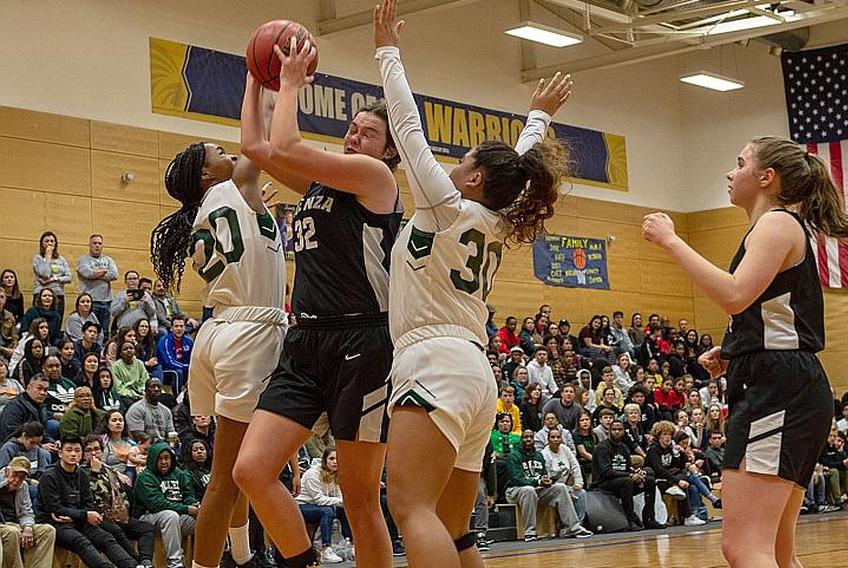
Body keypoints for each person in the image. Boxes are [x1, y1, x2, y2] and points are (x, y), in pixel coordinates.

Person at [372, 6, 576, 563]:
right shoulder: (500, 217)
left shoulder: (443, 205)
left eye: (462, 161)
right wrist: (535, 118)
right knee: (455, 528)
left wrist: (387, 51)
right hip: (478, 374)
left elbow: (407, 124)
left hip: (432, 361)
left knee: (412, 510)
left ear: (475, 177)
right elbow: (521, 165)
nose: (453, 165)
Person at [643, 136, 848, 567]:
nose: (730, 172)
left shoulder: (777, 224)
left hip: (777, 389)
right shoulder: (778, 226)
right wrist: (732, 350)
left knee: (745, 549)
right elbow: (772, 310)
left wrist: (672, 241)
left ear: (767, 177)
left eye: (740, 162)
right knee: (778, 554)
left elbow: (735, 294)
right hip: (785, 381)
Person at [232, 16, 405, 568]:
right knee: (251, 471)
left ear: (389, 151)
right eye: (352, 129)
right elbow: (257, 146)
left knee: (359, 502)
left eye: (368, 133)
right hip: (305, 341)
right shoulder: (323, 181)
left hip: (363, 342)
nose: (355, 136)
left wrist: (290, 82)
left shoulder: (379, 183)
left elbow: (284, 139)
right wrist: (256, 76)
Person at [38, 434, 138, 568]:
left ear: (81, 454)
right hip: (56, 524)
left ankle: (134, 565)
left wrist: (76, 517)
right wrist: (83, 515)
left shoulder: (82, 475)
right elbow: (55, 510)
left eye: (77, 450)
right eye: (69, 450)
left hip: (78, 521)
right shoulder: (49, 476)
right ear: (60, 453)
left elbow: (89, 504)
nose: (73, 454)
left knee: (106, 538)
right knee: (81, 541)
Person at [81, 435, 156, 568]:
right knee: (115, 530)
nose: (93, 453)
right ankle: (137, 562)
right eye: (88, 450)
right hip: (97, 518)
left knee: (147, 528)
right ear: (82, 453)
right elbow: (87, 496)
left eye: (97, 449)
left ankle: (146, 562)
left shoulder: (109, 469)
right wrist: (94, 473)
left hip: (118, 515)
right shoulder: (80, 472)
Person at [503, 430, 591, 542]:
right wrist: (539, 482)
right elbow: (517, 478)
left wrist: (546, 480)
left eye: (531, 437)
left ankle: (573, 528)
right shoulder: (514, 456)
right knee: (528, 490)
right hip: (514, 490)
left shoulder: (538, 455)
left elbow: (543, 474)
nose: (528, 439)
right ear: (521, 440)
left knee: (560, 487)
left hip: (537, 489)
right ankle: (530, 532)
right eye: (525, 437)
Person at [134, 442, 198, 568]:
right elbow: (156, 504)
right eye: (160, 459)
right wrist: (186, 508)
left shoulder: (178, 473)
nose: (164, 462)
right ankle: (175, 564)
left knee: (206, 517)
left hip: (177, 517)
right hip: (148, 518)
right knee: (170, 516)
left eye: (166, 458)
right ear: (153, 459)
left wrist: (193, 504)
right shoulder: (145, 477)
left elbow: (188, 493)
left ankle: (209, 560)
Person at [592, 421, 662, 531]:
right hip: (604, 483)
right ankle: (630, 519)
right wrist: (630, 475)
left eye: (620, 430)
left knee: (649, 480)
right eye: (614, 430)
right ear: (609, 431)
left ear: (624, 432)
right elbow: (607, 472)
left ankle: (649, 518)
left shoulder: (624, 447)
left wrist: (638, 473)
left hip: (622, 479)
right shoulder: (602, 447)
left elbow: (627, 467)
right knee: (627, 481)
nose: (617, 432)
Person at [295, 448, 352, 564]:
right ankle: (326, 549)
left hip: (318, 506)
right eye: (331, 459)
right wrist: (342, 501)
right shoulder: (313, 474)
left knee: (344, 509)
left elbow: (339, 496)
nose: (335, 462)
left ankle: (349, 544)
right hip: (302, 505)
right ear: (324, 461)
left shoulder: (335, 475)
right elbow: (319, 499)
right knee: (327, 511)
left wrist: (344, 503)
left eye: (337, 459)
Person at [0, 456, 56, 568]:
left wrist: (28, 527)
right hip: (3, 524)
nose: (17, 481)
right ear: (8, 470)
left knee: (48, 531)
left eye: (21, 478)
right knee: (12, 532)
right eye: (15, 475)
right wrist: (5, 483)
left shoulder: (23, 486)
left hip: (16, 523)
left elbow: (26, 511)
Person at [541, 429, 586, 523]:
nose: (556, 439)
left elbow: (575, 466)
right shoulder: (544, 454)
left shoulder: (565, 449)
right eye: (553, 437)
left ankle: (579, 523)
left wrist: (578, 483)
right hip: (551, 488)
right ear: (548, 440)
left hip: (564, 486)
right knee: (563, 490)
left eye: (558, 437)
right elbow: (546, 476)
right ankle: (566, 525)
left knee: (581, 493)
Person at [76, 235, 119, 337]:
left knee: (104, 331)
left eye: (99, 243)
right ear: (89, 245)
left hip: (106, 301)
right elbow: (87, 273)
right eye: (94, 243)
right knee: (90, 331)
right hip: (90, 302)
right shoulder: (83, 260)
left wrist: (95, 274)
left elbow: (114, 274)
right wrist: (104, 272)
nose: (97, 246)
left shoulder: (108, 260)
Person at [0, 375, 52, 445]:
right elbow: (10, 436)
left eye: (45, 390)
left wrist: (53, 442)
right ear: (29, 388)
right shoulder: (14, 407)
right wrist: (40, 446)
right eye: (39, 388)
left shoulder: (42, 407)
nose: (43, 393)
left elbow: (42, 433)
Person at [32, 231, 72, 318]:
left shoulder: (61, 259)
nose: (50, 243)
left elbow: (69, 277)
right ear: (41, 244)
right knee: (40, 323)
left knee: (56, 321)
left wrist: (55, 278)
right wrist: (48, 256)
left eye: (52, 241)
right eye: (46, 241)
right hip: (40, 294)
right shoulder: (37, 258)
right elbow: (45, 274)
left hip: (58, 294)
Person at [155, 315, 193, 393]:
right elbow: (169, 362)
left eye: (181, 326)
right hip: (166, 371)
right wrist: (187, 367)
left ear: (185, 328)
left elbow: (192, 359)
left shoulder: (189, 341)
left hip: (184, 369)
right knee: (177, 372)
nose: (179, 329)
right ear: (171, 328)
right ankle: (178, 399)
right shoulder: (164, 341)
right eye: (176, 326)